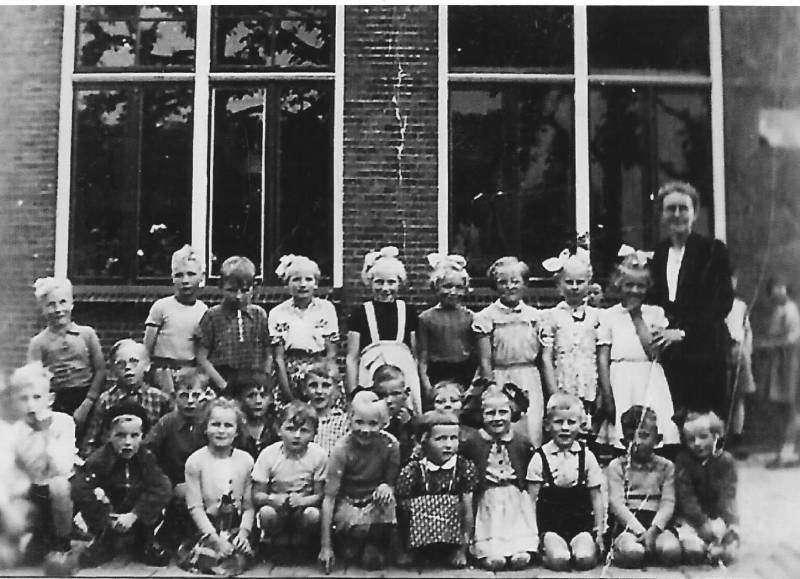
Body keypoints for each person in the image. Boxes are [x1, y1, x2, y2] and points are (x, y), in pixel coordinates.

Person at [649, 181, 734, 418]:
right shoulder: (659, 253)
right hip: (671, 355)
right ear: (662, 214)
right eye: (670, 208)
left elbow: (722, 302)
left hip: (705, 350)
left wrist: (684, 333)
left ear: (694, 213)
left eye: (683, 208)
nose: (677, 214)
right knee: (673, 419)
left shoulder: (712, 250)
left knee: (704, 422)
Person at [597, 247, 680, 450]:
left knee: (651, 426)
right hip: (620, 378)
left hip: (648, 377)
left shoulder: (655, 313)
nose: (634, 291)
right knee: (622, 434)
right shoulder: (609, 315)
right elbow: (603, 357)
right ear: (619, 285)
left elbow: (653, 352)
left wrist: (637, 316)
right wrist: (607, 395)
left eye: (640, 286)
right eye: (629, 285)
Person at [71, 402, 172, 568]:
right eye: (120, 435)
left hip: (136, 513)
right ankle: (104, 540)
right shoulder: (99, 460)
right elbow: (80, 488)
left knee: (156, 493)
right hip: (110, 512)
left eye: (134, 436)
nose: (127, 442)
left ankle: (143, 541)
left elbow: (162, 487)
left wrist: (134, 514)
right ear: (109, 436)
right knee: (90, 494)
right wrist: (107, 517)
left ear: (142, 436)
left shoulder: (146, 458)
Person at [473, 256, 555, 447]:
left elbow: (545, 358)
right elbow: (485, 359)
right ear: (495, 285)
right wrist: (491, 388)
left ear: (525, 284)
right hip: (500, 377)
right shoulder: (486, 317)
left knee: (531, 428)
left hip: (528, 378)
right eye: (503, 282)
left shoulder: (537, 317)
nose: (509, 287)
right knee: (501, 426)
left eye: (515, 281)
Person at [318, 391, 402, 572]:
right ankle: (350, 541)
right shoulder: (342, 449)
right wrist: (326, 547)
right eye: (359, 422)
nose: (365, 430)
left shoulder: (390, 445)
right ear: (349, 421)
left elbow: (391, 482)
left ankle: (374, 544)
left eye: (373, 423)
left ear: (384, 423)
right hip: (348, 502)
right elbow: (329, 497)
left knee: (387, 502)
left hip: (373, 501)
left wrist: (387, 486)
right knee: (354, 533)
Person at [460, 384, 538, 571]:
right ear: (482, 415)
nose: (497, 418)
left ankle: (520, 550)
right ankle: (490, 554)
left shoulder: (521, 441)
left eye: (503, 412)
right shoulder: (473, 442)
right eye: (490, 413)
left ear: (512, 413)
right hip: (487, 495)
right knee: (490, 526)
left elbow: (528, 466)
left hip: (514, 495)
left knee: (517, 524)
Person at [9, 362, 77, 570]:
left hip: (62, 490)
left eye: (37, 397)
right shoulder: (15, 430)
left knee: (58, 485)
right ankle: (33, 537)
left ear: (50, 399)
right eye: (24, 399)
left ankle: (63, 543)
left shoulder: (64, 422)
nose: (30, 405)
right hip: (31, 491)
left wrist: (45, 433)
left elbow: (62, 467)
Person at [527, 393, 604, 572]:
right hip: (551, 525)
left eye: (571, 422)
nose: (565, 428)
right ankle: (547, 553)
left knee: (585, 559)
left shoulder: (587, 456)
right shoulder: (540, 458)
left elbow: (596, 496)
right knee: (559, 560)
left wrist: (599, 530)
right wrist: (533, 535)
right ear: (547, 425)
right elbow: (531, 501)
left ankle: (581, 548)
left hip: (580, 524)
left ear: (581, 425)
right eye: (558, 422)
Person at [179, 398, 255, 576]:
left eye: (228, 425)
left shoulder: (245, 460)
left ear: (237, 431)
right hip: (207, 527)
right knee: (206, 555)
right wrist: (214, 539)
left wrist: (244, 533)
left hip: (235, 526)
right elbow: (195, 507)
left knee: (238, 554)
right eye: (215, 424)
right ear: (205, 428)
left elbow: (249, 506)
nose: (221, 431)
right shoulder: (196, 461)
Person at [345, 246, 422, 414]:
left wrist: (415, 385)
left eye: (391, 282)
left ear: (399, 283)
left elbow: (415, 355)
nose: (385, 288)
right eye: (379, 282)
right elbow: (352, 357)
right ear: (370, 282)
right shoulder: (360, 313)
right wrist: (353, 391)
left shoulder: (408, 312)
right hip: (370, 372)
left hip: (403, 371)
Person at [395, 410, 477, 568]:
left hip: (453, 533)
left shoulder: (464, 467)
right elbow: (401, 508)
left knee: (457, 503)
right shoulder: (414, 469)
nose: (448, 445)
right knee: (410, 504)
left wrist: (462, 550)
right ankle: (414, 551)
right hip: (420, 533)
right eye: (440, 439)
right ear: (424, 441)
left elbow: (468, 509)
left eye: (453, 438)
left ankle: (455, 551)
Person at [541, 247, 612, 425]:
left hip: (589, 385)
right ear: (559, 284)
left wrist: (603, 393)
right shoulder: (551, 316)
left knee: (588, 427)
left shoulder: (598, 316)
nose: (574, 287)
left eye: (580, 282)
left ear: (588, 283)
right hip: (563, 383)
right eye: (569, 282)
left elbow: (602, 357)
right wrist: (554, 395)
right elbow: (546, 358)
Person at [606, 406, 681, 568]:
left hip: (658, 526)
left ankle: (652, 549)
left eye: (644, 436)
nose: (637, 442)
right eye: (630, 437)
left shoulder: (666, 467)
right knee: (633, 552)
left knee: (671, 551)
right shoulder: (617, 466)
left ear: (657, 439)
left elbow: (668, 503)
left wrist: (654, 530)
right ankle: (627, 550)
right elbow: (617, 505)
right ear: (623, 442)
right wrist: (640, 531)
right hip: (629, 526)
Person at [28, 276, 105, 433]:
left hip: (86, 398)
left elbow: (101, 371)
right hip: (56, 402)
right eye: (51, 304)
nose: (58, 309)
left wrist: (88, 403)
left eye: (63, 302)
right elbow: (34, 381)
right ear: (43, 309)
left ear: (71, 304)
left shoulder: (87, 334)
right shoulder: (38, 343)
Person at [144, 368, 209, 550]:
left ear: (205, 396)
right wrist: (163, 480)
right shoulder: (167, 422)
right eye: (184, 395)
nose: (190, 401)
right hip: (172, 481)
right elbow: (146, 452)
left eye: (196, 395)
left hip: (204, 480)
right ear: (175, 397)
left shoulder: (209, 423)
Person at [252, 401, 326, 553]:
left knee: (313, 515)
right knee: (266, 513)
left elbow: (320, 495)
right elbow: (257, 494)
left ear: (314, 434)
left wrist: (303, 501)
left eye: (304, 431)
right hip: (277, 507)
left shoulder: (318, 455)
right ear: (279, 430)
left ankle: (304, 544)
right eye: (290, 429)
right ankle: (274, 542)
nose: (297, 436)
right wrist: (272, 499)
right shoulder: (269, 454)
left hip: (303, 507)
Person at [81, 339, 173, 457]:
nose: (128, 368)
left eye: (134, 362)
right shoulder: (106, 400)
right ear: (113, 369)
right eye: (121, 364)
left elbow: (169, 439)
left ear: (147, 366)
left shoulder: (159, 399)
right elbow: (91, 439)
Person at [270, 254, 340, 405]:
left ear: (316, 283)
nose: (302, 285)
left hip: (319, 371)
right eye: (296, 279)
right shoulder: (278, 313)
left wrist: (324, 382)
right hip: (290, 373)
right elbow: (278, 358)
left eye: (308, 279)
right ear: (287, 284)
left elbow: (331, 353)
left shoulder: (326, 309)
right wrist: (288, 394)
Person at [196, 256, 272, 393]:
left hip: (253, 380)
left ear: (254, 288)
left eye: (244, 290)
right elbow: (202, 357)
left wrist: (264, 378)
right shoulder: (212, 316)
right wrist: (222, 384)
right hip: (223, 378)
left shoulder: (259, 315)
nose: (238, 296)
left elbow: (268, 352)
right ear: (221, 287)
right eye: (231, 290)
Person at [674, 411, 739, 566]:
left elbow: (728, 495)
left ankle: (720, 546)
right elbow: (686, 497)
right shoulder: (684, 461)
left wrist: (726, 521)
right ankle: (706, 549)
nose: (697, 443)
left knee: (727, 547)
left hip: (716, 516)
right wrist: (701, 523)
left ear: (716, 436)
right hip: (691, 519)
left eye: (703, 437)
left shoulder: (725, 461)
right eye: (691, 439)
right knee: (694, 551)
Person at [143, 244, 208, 395]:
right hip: (162, 372)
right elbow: (146, 348)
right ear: (172, 277)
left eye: (191, 274)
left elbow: (202, 349)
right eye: (179, 275)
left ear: (201, 277)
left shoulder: (203, 310)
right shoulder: (161, 307)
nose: (185, 280)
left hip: (190, 372)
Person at [417, 253, 477, 403]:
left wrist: (473, 387)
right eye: (447, 286)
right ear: (435, 287)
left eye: (459, 287)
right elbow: (422, 357)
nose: (453, 292)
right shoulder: (426, 318)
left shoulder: (471, 318)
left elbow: (477, 355)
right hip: (437, 372)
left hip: (464, 372)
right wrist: (427, 386)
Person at [757, 277, 800, 468]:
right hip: (776, 364)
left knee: (789, 408)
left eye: (781, 287)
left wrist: (768, 344)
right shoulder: (778, 310)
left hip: (788, 363)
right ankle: (783, 451)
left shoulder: (791, 310)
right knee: (779, 408)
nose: (779, 291)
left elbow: (791, 339)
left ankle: (789, 453)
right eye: (775, 288)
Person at [725, 270, 755, 454]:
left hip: (739, 350)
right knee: (723, 395)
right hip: (722, 350)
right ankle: (721, 439)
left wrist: (747, 351)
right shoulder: (716, 304)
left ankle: (737, 438)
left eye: (733, 281)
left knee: (739, 397)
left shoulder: (741, 305)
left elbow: (747, 330)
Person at [227, 371, 279, 461]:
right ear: (239, 400)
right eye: (251, 396)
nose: (258, 401)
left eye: (263, 395)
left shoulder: (277, 429)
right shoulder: (233, 431)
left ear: (271, 399)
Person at [301, 362, 349, 454]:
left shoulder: (344, 422)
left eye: (326, 386)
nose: (319, 391)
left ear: (336, 389)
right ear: (304, 389)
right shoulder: (298, 416)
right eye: (313, 385)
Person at [372, 364, 415, 465]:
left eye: (395, 394)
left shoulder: (415, 423)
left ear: (406, 393)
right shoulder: (369, 421)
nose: (389, 400)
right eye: (382, 395)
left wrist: (407, 426)